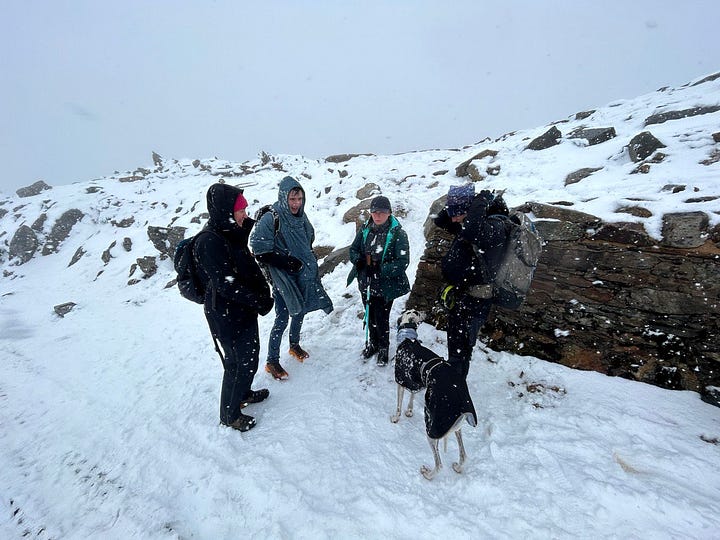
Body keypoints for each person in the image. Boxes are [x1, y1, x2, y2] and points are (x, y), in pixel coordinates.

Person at [194, 183, 274, 432]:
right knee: (236, 362)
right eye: (241, 209)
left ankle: (244, 393)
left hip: (242, 309)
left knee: (250, 357)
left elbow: (241, 242)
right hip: (225, 314)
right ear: (226, 211)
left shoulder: (231, 230)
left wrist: (256, 218)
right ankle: (229, 414)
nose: (245, 214)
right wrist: (258, 300)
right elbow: (227, 285)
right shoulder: (209, 242)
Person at [250, 176, 334, 380]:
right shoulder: (272, 218)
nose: (296, 203)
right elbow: (259, 250)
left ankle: (294, 344)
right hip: (282, 277)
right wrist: (286, 261)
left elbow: (309, 237)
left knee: (300, 310)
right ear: (283, 197)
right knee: (282, 316)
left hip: (301, 273)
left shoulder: (301, 216)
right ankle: (271, 361)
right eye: (292, 199)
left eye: (299, 199)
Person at [433, 184, 510, 379]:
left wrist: (479, 201)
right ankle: (453, 384)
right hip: (461, 298)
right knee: (455, 349)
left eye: (458, 213)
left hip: (475, 302)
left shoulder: (495, 226)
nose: (453, 218)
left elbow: (472, 231)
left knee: (461, 353)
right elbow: (441, 221)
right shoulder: (469, 222)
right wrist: (457, 204)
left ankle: (456, 393)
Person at [347, 195, 410, 366]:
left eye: (382, 212)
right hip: (366, 283)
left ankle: (383, 348)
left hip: (384, 285)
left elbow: (402, 262)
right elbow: (353, 249)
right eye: (374, 211)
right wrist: (359, 261)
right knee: (369, 314)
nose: (378, 215)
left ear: (389, 213)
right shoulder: (366, 229)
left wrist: (380, 270)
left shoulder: (398, 234)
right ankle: (373, 344)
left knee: (381, 317)